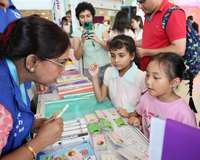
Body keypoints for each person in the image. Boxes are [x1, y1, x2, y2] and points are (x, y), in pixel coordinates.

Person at [0, 15, 71, 159]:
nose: (63, 71)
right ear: (32, 62)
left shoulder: (16, 76)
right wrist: (39, 143)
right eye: (61, 63)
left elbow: (13, 121)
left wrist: (34, 124)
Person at [128, 53, 196, 138]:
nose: (148, 81)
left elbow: (189, 143)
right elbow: (139, 115)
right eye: (147, 75)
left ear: (174, 82)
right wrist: (136, 119)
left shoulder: (183, 114)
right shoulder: (146, 97)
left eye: (156, 77)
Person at [88, 35, 146, 115]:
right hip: (117, 117)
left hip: (134, 120)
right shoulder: (109, 72)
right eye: (113, 55)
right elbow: (100, 98)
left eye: (121, 55)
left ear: (132, 56)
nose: (116, 60)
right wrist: (94, 77)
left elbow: (146, 106)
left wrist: (130, 114)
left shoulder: (141, 76)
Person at [136, 0, 186, 71]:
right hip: (147, 71)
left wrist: (145, 52)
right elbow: (151, 40)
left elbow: (179, 49)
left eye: (142, 2)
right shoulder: (149, 13)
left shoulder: (173, 13)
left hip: (162, 73)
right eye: (138, 2)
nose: (140, 6)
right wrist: (133, 43)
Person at [72, 2, 110, 81]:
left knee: (107, 93)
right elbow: (77, 56)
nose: (85, 19)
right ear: (78, 18)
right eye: (82, 17)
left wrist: (98, 40)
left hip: (106, 67)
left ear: (92, 16)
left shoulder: (101, 27)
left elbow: (110, 48)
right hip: (89, 70)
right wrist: (82, 42)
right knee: (93, 93)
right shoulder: (77, 32)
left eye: (88, 16)